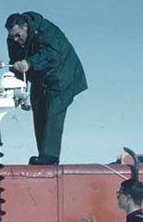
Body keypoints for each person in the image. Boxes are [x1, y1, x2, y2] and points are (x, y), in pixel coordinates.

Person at [5, 12, 87, 165]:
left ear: (26, 26)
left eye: (18, 35)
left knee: (53, 110)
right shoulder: (13, 40)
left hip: (62, 74)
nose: (15, 39)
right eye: (12, 36)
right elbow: (16, 63)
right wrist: (21, 90)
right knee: (38, 107)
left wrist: (29, 63)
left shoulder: (47, 30)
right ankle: (43, 154)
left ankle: (50, 156)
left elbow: (51, 55)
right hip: (40, 76)